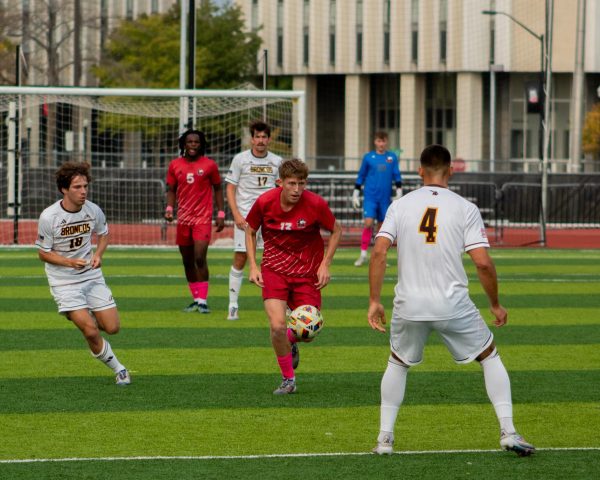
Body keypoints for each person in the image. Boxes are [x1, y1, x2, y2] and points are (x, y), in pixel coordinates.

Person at [368, 144, 535, 457]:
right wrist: (495, 304)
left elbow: (378, 252)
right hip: (452, 304)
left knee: (398, 362)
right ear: (451, 171)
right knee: (488, 356)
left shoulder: (400, 205)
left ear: (419, 171)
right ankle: (508, 431)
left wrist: (375, 300)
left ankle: (384, 440)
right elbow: (483, 263)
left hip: (410, 304)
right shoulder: (465, 207)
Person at [246, 158, 342, 395]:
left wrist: (325, 265)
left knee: (308, 333)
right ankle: (288, 379)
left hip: (307, 274)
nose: (297, 190)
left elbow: (336, 230)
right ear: (280, 182)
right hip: (274, 270)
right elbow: (250, 230)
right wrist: (253, 266)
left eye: (301, 183)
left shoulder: (316, 204)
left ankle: (291, 340)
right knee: (277, 326)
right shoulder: (265, 202)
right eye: (291, 184)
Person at [36, 161, 130, 386]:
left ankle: (86, 322)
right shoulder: (49, 217)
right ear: (64, 189)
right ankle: (120, 370)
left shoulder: (93, 210)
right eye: (77, 187)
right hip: (63, 281)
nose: (83, 191)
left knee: (113, 328)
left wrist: (98, 254)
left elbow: (104, 234)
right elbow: (43, 253)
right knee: (90, 331)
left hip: (91, 276)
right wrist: (69, 262)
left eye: (85, 186)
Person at [224, 120, 282, 321]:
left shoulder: (277, 161)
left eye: (264, 137)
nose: (260, 140)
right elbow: (230, 188)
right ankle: (233, 305)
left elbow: (281, 188)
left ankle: (278, 303)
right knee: (241, 257)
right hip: (246, 218)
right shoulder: (240, 159)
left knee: (274, 260)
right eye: (257, 137)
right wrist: (237, 215)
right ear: (251, 139)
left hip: (270, 219)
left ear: (269, 139)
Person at [165, 129, 225, 313]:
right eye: (189, 142)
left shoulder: (209, 165)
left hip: (202, 218)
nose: (193, 145)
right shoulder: (175, 164)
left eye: (196, 142)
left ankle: (203, 301)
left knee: (200, 257)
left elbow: (217, 188)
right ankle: (196, 299)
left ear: (201, 145)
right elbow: (172, 189)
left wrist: (221, 213)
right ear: (184, 144)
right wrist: (169, 208)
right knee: (187, 260)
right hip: (183, 218)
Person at [352, 131, 402, 267]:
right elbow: (361, 175)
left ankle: (379, 255)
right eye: (379, 141)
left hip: (385, 198)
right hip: (370, 196)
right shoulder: (368, 157)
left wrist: (399, 190)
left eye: (383, 141)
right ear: (375, 142)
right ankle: (363, 255)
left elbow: (396, 175)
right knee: (368, 223)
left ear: (386, 142)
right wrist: (356, 193)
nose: (381, 144)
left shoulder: (391, 158)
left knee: (382, 228)